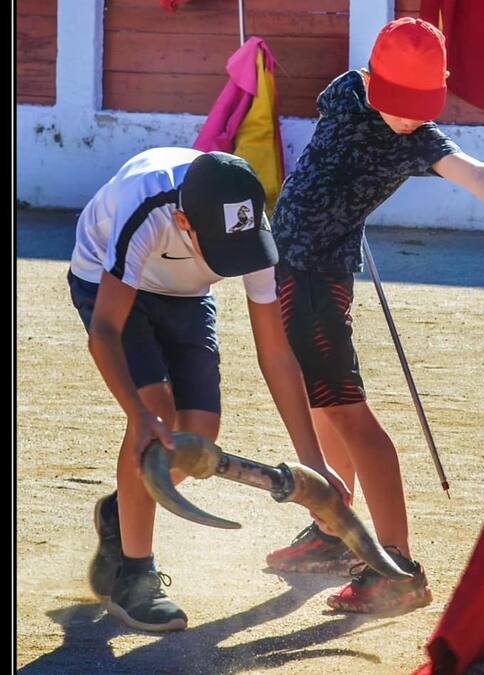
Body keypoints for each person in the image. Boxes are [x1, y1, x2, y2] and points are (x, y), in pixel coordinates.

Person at [264, 18, 484, 614]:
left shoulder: (417, 140)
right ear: (372, 80)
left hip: (315, 277)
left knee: (347, 414)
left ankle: (395, 566)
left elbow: (479, 174)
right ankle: (335, 530)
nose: (411, 117)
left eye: (422, 105)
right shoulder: (347, 90)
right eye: (400, 102)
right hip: (293, 269)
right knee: (323, 408)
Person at [70, 148, 349, 631]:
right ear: (183, 221)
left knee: (198, 435)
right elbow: (106, 332)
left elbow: (276, 354)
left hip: (187, 294)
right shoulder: (146, 207)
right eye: (222, 252)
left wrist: (314, 466)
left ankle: (121, 510)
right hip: (107, 283)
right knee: (157, 415)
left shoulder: (247, 223)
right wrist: (138, 414)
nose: (237, 264)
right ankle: (134, 576)